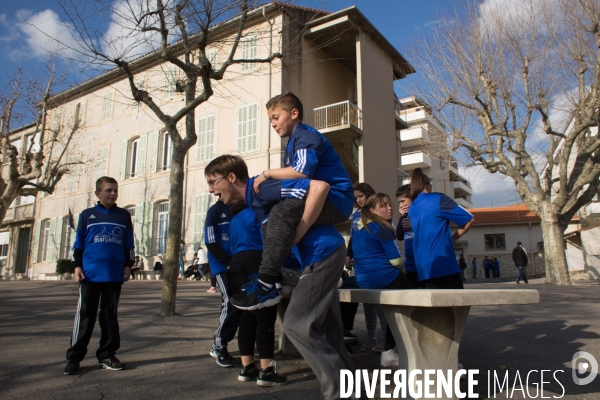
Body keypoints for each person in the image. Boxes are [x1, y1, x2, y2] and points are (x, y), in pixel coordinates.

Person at [231, 92, 354, 311]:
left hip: (336, 199)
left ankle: (265, 283)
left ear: (294, 113)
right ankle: (283, 275)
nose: (273, 124)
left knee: (281, 213)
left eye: (276, 117)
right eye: (270, 120)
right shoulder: (293, 143)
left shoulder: (307, 136)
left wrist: (267, 174)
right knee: (271, 220)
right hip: (318, 196)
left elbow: (302, 172)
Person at [64, 176, 134, 375]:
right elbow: (79, 243)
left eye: (115, 190)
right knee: (85, 316)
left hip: (114, 274)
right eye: (108, 190)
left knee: (109, 316)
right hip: (90, 274)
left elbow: (129, 242)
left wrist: (128, 265)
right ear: (98, 194)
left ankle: (107, 355)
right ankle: (74, 358)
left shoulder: (123, 216)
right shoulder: (87, 215)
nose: (112, 194)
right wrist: (77, 265)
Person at [351, 193, 415, 367]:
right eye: (383, 206)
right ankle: (396, 350)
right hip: (382, 276)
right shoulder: (382, 227)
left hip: (364, 280)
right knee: (417, 299)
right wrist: (405, 270)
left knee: (396, 309)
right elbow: (395, 260)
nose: (389, 208)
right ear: (372, 210)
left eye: (390, 205)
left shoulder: (360, 226)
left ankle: (390, 350)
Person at [407, 168, 474, 289]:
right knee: (458, 305)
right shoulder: (438, 198)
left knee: (435, 306)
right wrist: (454, 239)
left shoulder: (412, 207)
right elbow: (469, 219)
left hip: (423, 267)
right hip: (443, 264)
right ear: (429, 186)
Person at [347, 182, 387, 351]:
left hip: (375, 263)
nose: (359, 200)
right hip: (360, 265)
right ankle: (371, 338)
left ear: (369, 194)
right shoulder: (356, 214)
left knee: (379, 303)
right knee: (367, 303)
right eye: (356, 198)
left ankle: (388, 341)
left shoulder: (376, 211)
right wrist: (348, 255)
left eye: (361, 196)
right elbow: (353, 236)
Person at [204, 200, 236, 367]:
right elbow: (210, 241)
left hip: (239, 262)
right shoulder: (215, 211)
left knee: (239, 303)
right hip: (221, 264)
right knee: (229, 300)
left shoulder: (242, 206)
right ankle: (218, 345)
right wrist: (226, 261)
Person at [396, 184, 421, 289]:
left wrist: (414, 225)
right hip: (409, 266)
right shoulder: (404, 217)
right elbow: (399, 236)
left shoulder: (421, 214)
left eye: (403, 201)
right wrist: (402, 217)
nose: (400, 205)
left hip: (421, 266)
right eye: (399, 202)